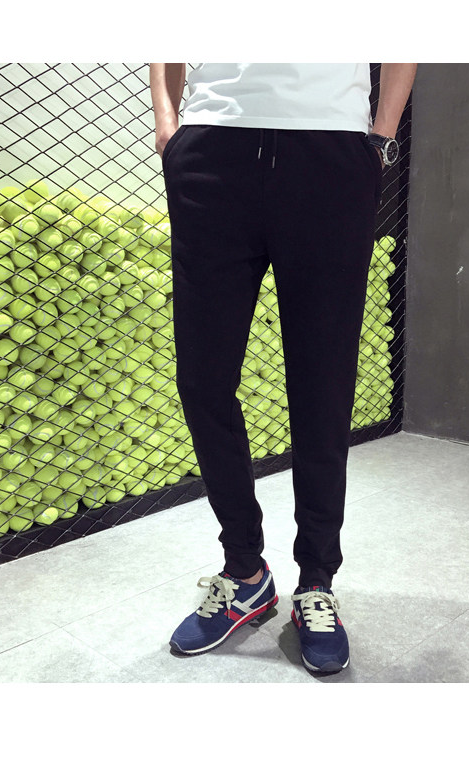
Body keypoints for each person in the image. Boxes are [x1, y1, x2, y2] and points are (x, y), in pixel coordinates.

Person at [150, 63, 416, 674]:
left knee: (323, 385)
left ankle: (316, 580)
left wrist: (381, 136)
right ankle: (245, 571)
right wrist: (168, 123)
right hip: (212, 147)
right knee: (203, 379)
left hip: (330, 151)